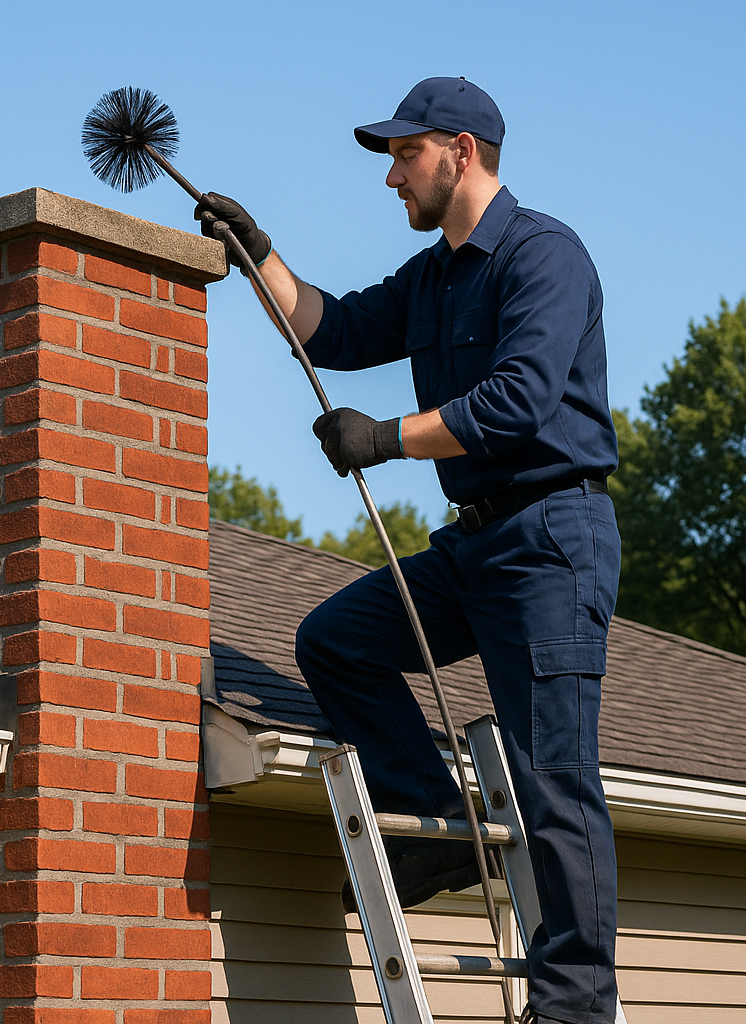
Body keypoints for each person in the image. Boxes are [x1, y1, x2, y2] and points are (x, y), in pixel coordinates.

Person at [196, 77, 621, 1024]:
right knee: (338, 641)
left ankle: (575, 1006)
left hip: (552, 540)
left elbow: (519, 401)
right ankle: (434, 832)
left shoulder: (544, 256)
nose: (390, 175)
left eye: (403, 153)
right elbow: (335, 329)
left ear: (460, 151)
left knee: (554, 777)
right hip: (475, 547)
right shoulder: (435, 277)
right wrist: (258, 253)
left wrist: (382, 439)